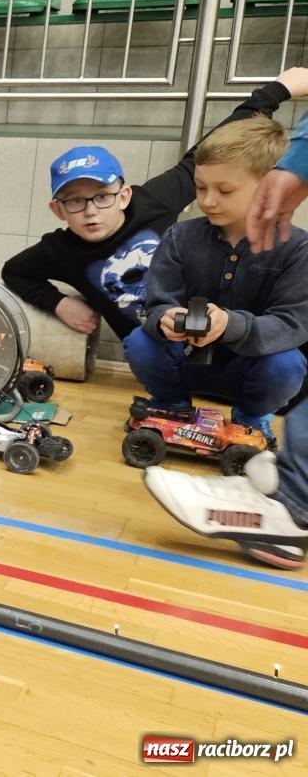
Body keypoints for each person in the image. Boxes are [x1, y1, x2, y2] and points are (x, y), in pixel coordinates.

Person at [1, 68, 308, 340]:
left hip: (213, 333)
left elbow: (210, 151)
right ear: (58, 210)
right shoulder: (59, 250)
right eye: (75, 201)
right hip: (153, 351)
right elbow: (13, 271)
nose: (91, 211)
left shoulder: (152, 202)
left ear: (124, 196)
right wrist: (58, 303)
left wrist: (275, 92)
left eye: (102, 197)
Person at [140, 114, 308, 570]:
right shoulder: (181, 236)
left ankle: (252, 425)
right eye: (201, 188)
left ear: (268, 186)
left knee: (288, 362)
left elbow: (293, 324)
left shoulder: (296, 249)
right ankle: (171, 408)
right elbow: (154, 305)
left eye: (225, 190)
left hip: (251, 369)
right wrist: (164, 319)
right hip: (189, 359)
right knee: (141, 341)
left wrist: (233, 326)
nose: (208, 200)